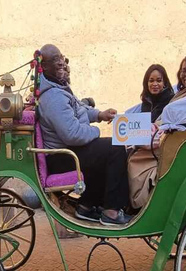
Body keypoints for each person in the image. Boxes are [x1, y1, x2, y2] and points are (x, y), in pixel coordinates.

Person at [36, 44, 132, 225]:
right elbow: (72, 134)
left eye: (62, 57)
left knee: (103, 150)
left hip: (66, 151)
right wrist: (96, 131)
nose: (62, 63)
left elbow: (77, 110)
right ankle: (111, 212)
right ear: (44, 67)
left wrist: (99, 115)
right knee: (116, 147)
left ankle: (86, 206)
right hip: (61, 156)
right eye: (55, 60)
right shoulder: (53, 97)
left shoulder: (58, 88)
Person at [128, 55, 186, 209]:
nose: (185, 73)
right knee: (128, 150)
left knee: (133, 158)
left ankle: (140, 203)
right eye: (183, 70)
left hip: (174, 141)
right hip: (162, 135)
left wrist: (152, 132)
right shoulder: (183, 92)